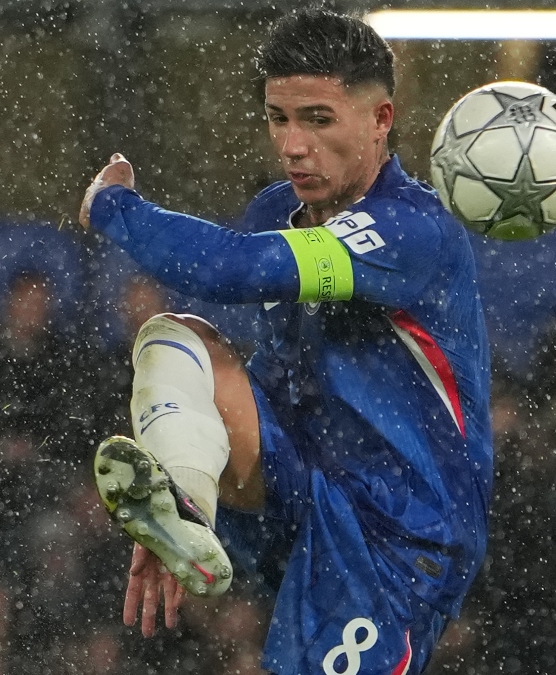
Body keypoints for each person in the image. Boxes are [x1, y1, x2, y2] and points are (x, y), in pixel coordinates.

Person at [77, 9, 492, 674]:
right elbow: (278, 363)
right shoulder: (277, 211)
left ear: (380, 119)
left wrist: (112, 204)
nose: (293, 144)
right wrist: (182, 466)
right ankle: (184, 505)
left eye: (318, 120)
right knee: (178, 338)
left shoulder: (412, 231)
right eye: (279, 118)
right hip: (302, 483)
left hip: (396, 539)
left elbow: (227, 268)